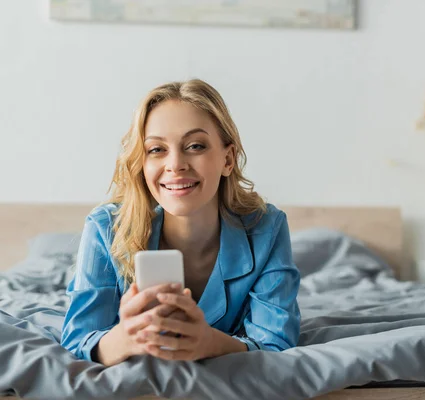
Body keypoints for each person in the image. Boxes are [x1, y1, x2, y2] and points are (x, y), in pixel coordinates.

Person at [60, 79, 301, 366]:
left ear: (228, 159)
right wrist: (126, 338)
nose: (175, 164)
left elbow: (276, 343)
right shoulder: (105, 228)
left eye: (195, 146)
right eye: (156, 150)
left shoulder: (267, 227)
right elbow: (78, 343)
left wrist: (209, 343)